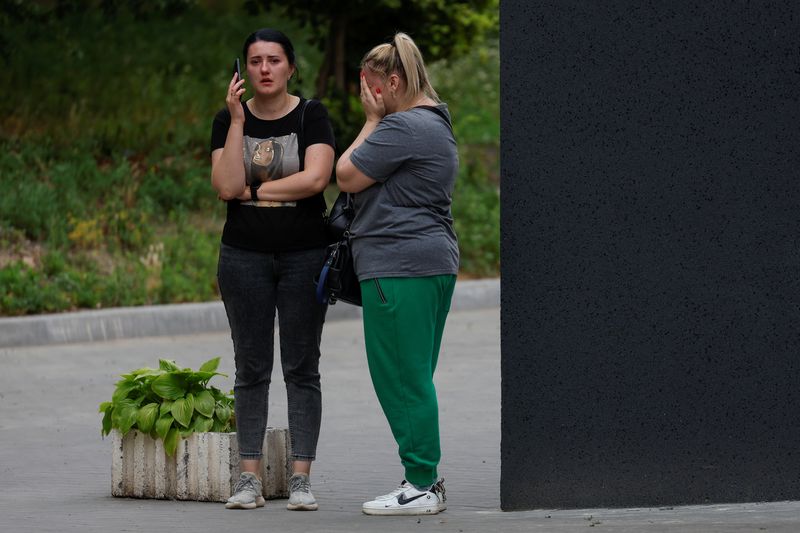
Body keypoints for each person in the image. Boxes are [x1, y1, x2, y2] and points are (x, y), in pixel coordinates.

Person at [210, 28, 335, 511]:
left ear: (290, 67)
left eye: (274, 60)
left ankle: (301, 479)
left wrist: (257, 192)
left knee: (302, 367)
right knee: (251, 367)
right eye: (255, 61)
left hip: (305, 255)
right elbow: (224, 186)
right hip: (242, 257)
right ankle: (248, 479)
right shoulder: (227, 120)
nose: (264, 69)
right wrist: (239, 121)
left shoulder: (311, 114)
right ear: (243, 71)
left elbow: (317, 178)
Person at [336, 32, 459, 516]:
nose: (370, 100)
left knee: (402, 380)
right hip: (428, 263)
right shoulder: (437, 122)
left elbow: (344, 175)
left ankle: (421, 484)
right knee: (415, 377)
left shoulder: (403, 127)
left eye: (372, 90)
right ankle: (423, 479)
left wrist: (369, 121)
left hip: (398, 266)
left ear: (392, 81)